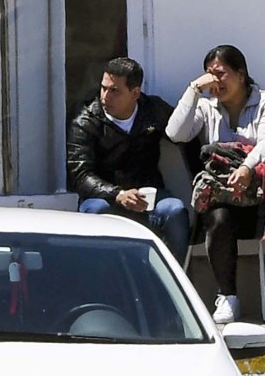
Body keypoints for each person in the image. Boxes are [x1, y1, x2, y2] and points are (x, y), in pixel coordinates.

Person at [166, 44, 265, 325]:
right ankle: (227, 296)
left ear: (240, 75)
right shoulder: (206, 106)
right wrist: (193, 90)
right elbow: (175, 133)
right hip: (225, 192)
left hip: (262, 189)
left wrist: (246, 167)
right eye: (209, 75)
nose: (215, 81)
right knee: (218, 219)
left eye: (221, 73)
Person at [67, 57, 190, 262]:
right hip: (106, 198)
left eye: (114, 90)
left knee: (175, 211)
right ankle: (100, 281)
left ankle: (171, 283)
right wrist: (118, 194)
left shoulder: (153, 110)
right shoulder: (86, 121)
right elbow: (80, 174)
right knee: (95, 211)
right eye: (103, 88)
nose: (106, 96)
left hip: (148, 196)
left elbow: (184, 136)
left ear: (135, 93)